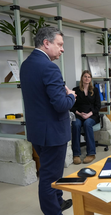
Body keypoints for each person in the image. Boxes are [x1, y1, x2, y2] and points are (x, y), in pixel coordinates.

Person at [20, 27, 75, 215]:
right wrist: (71, 95)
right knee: (49, 176)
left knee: (52, 172)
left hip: (38, 131)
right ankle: (53, 211)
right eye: (59, 44)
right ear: (46, 43)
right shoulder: (50, 67)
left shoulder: (26, 64)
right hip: (52, 133)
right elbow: (61, 104)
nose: (62, 49)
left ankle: (57, 202)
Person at [71, 70, 101, 165]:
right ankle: (76, 154)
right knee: (75, 124)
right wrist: (80, 114)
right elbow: (71, 106)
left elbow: (98, 106)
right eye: (85, 76)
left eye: (89, 77)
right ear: (82, 78)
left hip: (92, 115)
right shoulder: (75, 90)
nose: (87, 78)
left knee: (87, 123)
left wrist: (89, 114)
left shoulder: (95, 90)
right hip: (79, 114)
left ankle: (91, 153)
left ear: (91, 79)